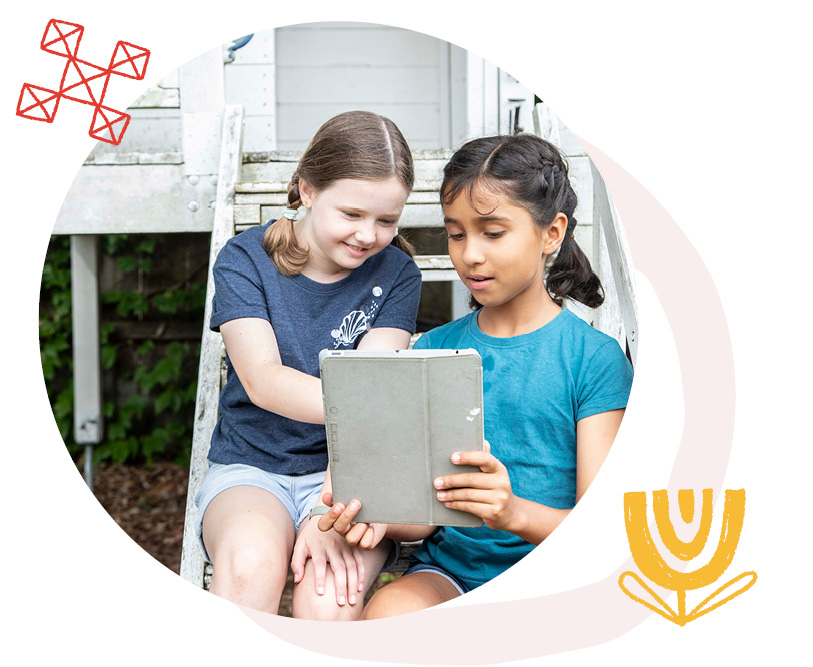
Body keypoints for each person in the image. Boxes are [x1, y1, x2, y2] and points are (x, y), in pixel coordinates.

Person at [318, 133, 634, 617]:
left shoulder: (592, 358)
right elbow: (423, 520)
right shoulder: (434, 348)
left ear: (551, 234)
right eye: (457, 233)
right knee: (387, 613)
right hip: (450, 574)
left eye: (492, 232)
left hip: (556, 577)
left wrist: (512, 513)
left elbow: (599, 530)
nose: (469, 255)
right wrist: (375, 511)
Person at [193, 110, 422, 619]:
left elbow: (374, 385)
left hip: (351, 473)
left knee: (326, 594)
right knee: (250, 566)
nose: (369, 235)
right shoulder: (245, 259)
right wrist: (368, 404)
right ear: (308, 189)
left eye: (387, 220)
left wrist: (334, 504)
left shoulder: (398, 273)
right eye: (352, 214)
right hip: (252, 468)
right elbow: (264, 381)